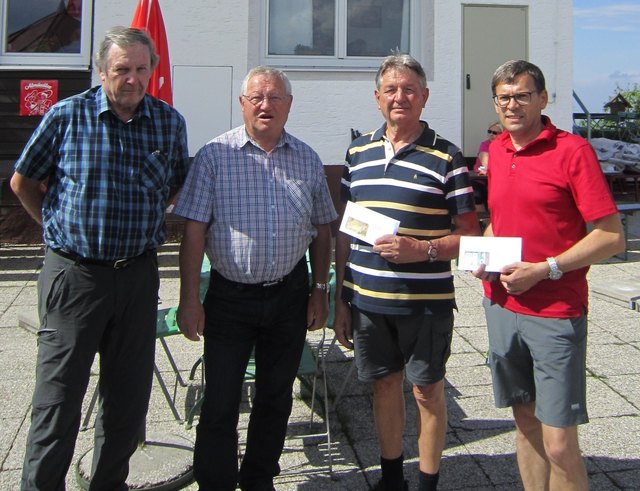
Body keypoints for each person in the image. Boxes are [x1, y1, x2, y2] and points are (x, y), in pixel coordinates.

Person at [10, 26, 190, 490]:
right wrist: (54, 230)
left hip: (136, 277)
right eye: (121, 69)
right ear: (102, 70)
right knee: (58, 403)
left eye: (140, 69)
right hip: (75, 277)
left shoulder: (168, 122)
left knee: (126, 402)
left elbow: (174, 186)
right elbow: (24, 182)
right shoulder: (66, 116)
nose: (132, 79)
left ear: (152, 69)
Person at [174, 66, 336, 491]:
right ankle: (217, 482)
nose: (266, 105)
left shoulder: (306, 157)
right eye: (258, 97)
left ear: (289, 106)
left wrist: (319, 290)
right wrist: (189, 298)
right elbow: (192, 231)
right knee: (221, 400)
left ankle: (259, 477)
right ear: (242, 103)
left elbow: (323, 228)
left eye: (276, 97)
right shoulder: (214, 156)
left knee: (275, 396)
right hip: (229, 299)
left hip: (289, 295)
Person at [473, 60, 624, 490]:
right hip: (502, 306)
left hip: (555, 311)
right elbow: (499, 220)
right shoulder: (497, 150)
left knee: (559, 442)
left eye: (522, 95)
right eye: (504, 97)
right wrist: (485, 252)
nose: (513, 105)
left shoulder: (572, 151)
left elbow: (611, 237)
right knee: (525, 425)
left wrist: (546, 269)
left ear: (542, 98)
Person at [333, 54, 480, 491]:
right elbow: (347, 230)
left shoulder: (448, 156)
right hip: (368, 301)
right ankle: (392, 477)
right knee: (383, 387)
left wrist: (423, 249)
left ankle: (428, 483)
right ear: (378, 98)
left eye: (410, 89)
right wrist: (342, 296)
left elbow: (470, 236)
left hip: (426, 304)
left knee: (427, 392)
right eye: (392, 89)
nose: (401, 97)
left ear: (425, 97)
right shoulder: (357, 153)